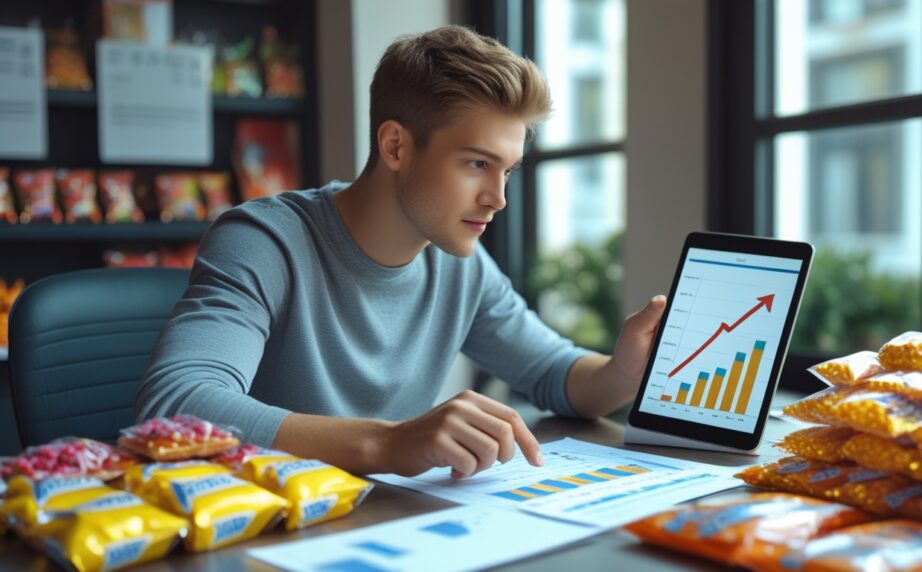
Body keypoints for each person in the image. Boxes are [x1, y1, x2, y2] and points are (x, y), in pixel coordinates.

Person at [135, 25, 666, 479]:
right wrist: (389, 443)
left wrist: (624, 371)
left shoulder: (458, 261)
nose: (498, 198)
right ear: (395, 146)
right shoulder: (263, 240)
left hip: (385, 524)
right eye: (477, 164)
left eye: (507, 170)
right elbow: (177, 404)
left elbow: (554, 374)